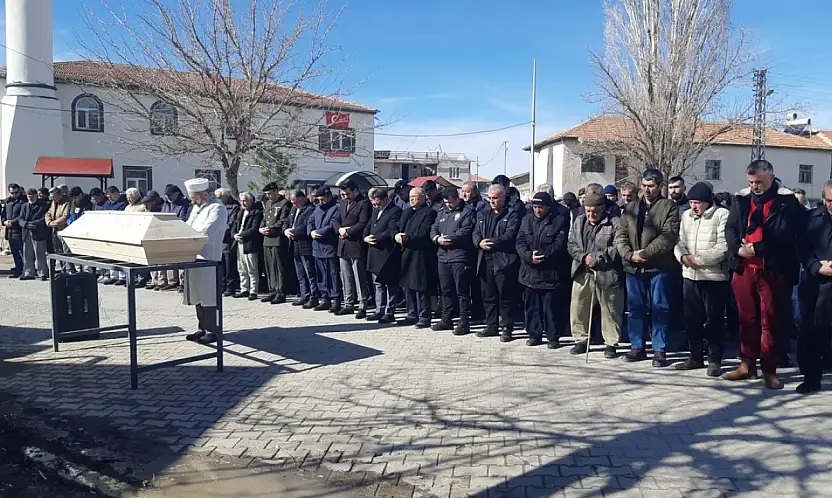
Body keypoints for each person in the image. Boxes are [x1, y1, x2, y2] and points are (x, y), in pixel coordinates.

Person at [724, 160, 806, 389]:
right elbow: (730, 228)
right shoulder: (740, 199)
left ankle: (769, 369)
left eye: (759, 182)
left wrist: (758, 248)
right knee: (746, 319)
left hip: (772, 269)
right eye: (750, 182)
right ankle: (746, 364)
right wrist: (737, 248)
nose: (754, 187)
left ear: (771, 177)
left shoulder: (786, 202)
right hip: (743, 268)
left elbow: (787, 235)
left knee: (770, 321)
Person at [614, 168, 680, 367]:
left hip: (658, 267)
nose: (647, 190)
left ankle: (659, 349)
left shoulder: (669, 207)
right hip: (633, 268)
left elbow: (668, 236)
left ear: (660, 186)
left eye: (651, 186)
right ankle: (637, 346)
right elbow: (621, 234)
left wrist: (645, 253)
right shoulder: (631, 207)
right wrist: (628, 254)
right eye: (644, 186)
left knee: (660, 308)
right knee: (635, 308)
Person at [672, 182, 730, 376]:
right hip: (690, 275)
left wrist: (700, 260)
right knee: (691, 319)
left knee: (713, 319)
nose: (693, 207)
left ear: (707, 202)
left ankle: (714, 360)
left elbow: (724, 246)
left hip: (713, 277)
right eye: (691, 202)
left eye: (697, 203)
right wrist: (683, 257)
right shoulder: (686, 216)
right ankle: (695, 356)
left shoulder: (721, 215)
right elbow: (679, 241)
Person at [567, 192, 625, 358]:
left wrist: (599, 258)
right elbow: (571, 244)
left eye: (594, 211)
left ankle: (611, 343)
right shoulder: (579, 222)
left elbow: (618, 247)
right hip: (582, 269)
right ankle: (581, 339)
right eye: (588, 211)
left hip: (607, 272)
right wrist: (583, 257)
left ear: (602, 209)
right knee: (579, 306)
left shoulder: (614, 222)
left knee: (610, 308)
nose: (591, 215)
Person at [516, 191, 571, 347]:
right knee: (531, 307)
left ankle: (553, 336)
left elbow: (558, 244)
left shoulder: (559, 221)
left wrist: (541, 256)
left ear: (548, 207)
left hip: (549, 273)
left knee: (550, 308)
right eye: (535, 207)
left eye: (540, 207)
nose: (537, 210)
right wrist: (528, 257)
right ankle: (534, 334)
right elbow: (520, 241)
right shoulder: (526, 220)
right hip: (529, 271)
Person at [182, 178, 228, 344]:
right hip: (193, 256)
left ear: (204, 194)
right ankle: (202, 328)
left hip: (209, 258)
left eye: (194, 196)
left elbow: (207, 231)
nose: (191, 200)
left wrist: (189, 237)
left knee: (209, 296)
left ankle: (213, 330)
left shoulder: (217, 208)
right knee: (197, 295)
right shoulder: (196, 208)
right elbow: (188, 226)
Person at [796, 179, 832, 394]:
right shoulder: (811, 219)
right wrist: (815, 266)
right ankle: (811, 377)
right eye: (829, 200)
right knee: (810, 330)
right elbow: (801, 247)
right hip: (815, 283)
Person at [473, 184, 521, 341]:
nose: (492, 201)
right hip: (485, 259)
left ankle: (507, 327)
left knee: (505, 296)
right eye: (490, 198)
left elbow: (510, 235)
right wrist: (479, 243)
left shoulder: (512, 213)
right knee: (488, 295)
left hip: (503, 260)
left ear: (503, 197)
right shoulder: (483, 213)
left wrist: (492, 242)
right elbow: (476, 232)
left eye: (495, 198)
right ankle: (491, 325)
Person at [430, 188, 476, 334]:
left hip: (459, 257)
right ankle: (446, 319)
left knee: (462, 292)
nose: (448, 205)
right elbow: (434, 229)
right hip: (443, 257)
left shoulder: (467, 212)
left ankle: (464, 322)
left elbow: (465, 232)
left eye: (450, 202)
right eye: (445, 202)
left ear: (456, 198)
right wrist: (437, 239)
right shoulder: (442, 211)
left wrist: (448, 239)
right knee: (446, 290)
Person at [396, 187, 438, 328]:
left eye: (414, 196)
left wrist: (405, 238)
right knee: (407, 286)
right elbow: (397, 227)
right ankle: (411, 314)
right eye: (410, 196)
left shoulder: (429, 213)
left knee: (420, 287)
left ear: (423, 197)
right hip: (406, 253)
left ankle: (424, 316)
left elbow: (424, 233)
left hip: (421, 255)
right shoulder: (407, 212)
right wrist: (396, 236)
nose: (412, 199)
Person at [332, 181, 372, 318]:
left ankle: (362, 305)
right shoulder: (342, 203)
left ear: (355, 191)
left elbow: (363, 223)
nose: (345, 196)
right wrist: (339, 230)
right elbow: (335, 219)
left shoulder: (364, 203)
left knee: (359, 277)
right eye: (343, 194)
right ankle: (348, 303)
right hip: (343, 244)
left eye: (348, 193)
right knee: (346, 276)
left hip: (356, 244)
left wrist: (348, 231)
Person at [364, 188, 402, 324]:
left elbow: (390, 230)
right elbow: (368, 226)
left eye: (378, 203)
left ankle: (389, 312)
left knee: (389, 284)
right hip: (373, 251)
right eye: (374, 204)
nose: (376, 206)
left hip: (386, 252)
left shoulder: (395, 211)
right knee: (377, 284)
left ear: (385, 200)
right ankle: (379, 310)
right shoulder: (375, 210)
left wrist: (375, 238)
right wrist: (365, 237)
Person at [308, 187, 341, 312]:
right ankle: (325, 298)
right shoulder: (317, 209)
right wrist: (311, 232)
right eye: (318, 199)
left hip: (329, 246)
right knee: (321, 275)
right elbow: (310, 221)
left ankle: (336, 299)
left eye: (322, 199)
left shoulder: (335, 208)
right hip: (317, 248)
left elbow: (332, 225)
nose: (320, 202)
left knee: (332, 275)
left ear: (328, 196)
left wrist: (319, 232)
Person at [283, 190, 318, 308]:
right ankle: (304, 295)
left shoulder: (310, 209)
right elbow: (286, 221)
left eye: (295, 201)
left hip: (305, 245)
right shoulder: (293, 209)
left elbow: (305, 227)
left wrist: (292, 232)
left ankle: (314, 296)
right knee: (300, 273)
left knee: (310, 273)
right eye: (292, 202)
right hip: (294, 245)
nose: (294, 204)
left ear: (302, 198)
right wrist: (286, 230)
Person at [258, 183, 291, 304]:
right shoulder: (267, 203)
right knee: (269, 267)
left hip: (277, 238)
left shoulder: (284, 203)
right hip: (266, 239)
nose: (268, 196)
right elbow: (264, 219)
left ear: (276, 191)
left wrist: (270, 228)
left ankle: (280, 292)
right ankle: (272, 290)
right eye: (266, 194)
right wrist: (261, 229)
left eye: (270, 193)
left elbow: (283, 220)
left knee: (278, 267)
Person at [232, 192, 264, 302]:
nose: (243, 203)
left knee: (252, 268)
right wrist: (234, 235)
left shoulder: (256, 212)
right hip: (239, 242)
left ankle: (253, 291)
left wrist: (242, 235)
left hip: (250, 243)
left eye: (245, 200)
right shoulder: (241, 212)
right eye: (241, 201)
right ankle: (244, 289)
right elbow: (235, 226)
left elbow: (254, 229)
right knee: (241, 268)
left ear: (251, 201)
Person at [15, 188, 49, 281]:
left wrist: (33, 224)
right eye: (28, 196)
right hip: (26, 232)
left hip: (38, 232)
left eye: (32, 196)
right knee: (27, 254)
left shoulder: (43, 205)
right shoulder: (24, 206)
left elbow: (44, 218)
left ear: (36, 196)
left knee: (40, 254)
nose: (30, 198)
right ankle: (29, 272)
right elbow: (20, 218)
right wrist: (25, 224)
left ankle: (42, 273)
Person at [214, 188, 241, 297]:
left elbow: (231, 223)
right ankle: (221, 285)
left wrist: (221, 232)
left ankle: (231, 287)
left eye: (220, 197)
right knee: (221, 266)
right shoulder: (216, 208)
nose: (218, 200)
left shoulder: (233, 207)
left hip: (227, 240)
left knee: (229, 265)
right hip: (218, 240)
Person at [45, 186, 71, 272]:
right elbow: (48, 213)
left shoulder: (66, 203)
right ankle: (63, 269)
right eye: (51, 197)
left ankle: (70, 269)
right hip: (55, 230)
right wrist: (48, 221)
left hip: (64, 230)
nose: (53, 199)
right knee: (58, 251)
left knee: (66, 251)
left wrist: (53, 223)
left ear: (60, 195)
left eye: (54, 197)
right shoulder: (53, 203)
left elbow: (65, 217)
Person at [2, 184, 26, 277]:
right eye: (12, 193)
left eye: (16, 193)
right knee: (15, 252)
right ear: (9, 192)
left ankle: (25, 271)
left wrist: (12, 222)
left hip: (19, 230)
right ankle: (18, 270)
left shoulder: (23, 202)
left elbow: (22, 215)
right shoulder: (7, 202)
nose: (14, 195)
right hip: (10, 231)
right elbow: (3, 214)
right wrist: (4, 222)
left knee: (21, 252)